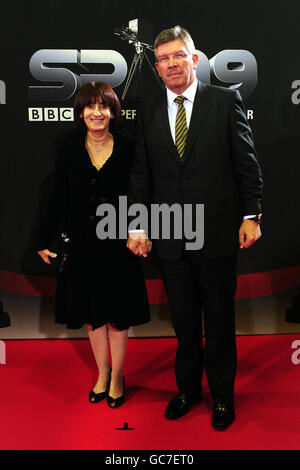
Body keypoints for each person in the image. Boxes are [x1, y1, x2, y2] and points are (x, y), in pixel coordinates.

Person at [127, 26, 263, 430]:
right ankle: (187, 390)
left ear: (194, 59)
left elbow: (246, 162)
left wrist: (252, 214)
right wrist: (137, 223)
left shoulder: (223, 101)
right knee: (184, 323)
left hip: (218, 234)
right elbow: (141, 175)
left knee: (219, 321)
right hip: (169, 238)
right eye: (163, 59)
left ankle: (222, 397)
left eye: (177, 56)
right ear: (156, 66)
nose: (170, 64)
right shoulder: (148, 110)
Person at [37, 82, 150, 408]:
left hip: (119, 243)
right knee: (92, 316)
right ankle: (103, 373)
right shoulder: (68, 144)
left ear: (113, 111)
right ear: (81, 112)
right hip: (82, 244)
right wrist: (44, 239)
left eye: (104, 106)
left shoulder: (129, 144)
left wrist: (141, 229)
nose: (97, 113)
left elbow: (141, 190)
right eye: (90, 106)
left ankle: (117, 378)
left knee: (118, 316)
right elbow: (57, 195)